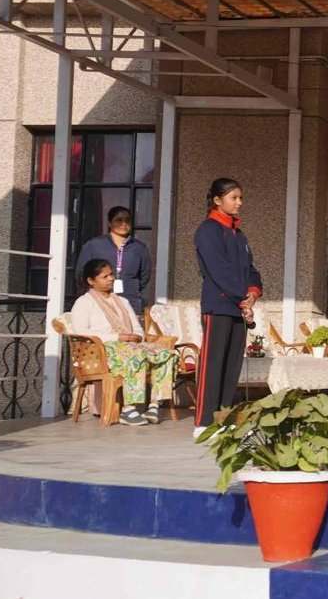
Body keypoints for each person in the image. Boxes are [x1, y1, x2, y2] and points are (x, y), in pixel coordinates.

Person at [70, 258, 177, 426]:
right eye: (105, 276)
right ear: (91, 281)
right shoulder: (84, 302)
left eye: (111, 274)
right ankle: (129, 408)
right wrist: (117, 337)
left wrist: (136, 337)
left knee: (166, 354)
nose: (111, 279)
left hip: (129, 345)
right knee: (135, 355)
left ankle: (154, 405)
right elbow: (80, 331)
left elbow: (137, 328)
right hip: (101, 350)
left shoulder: (123, 302)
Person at [193, 177, 262, 436]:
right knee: (213, 365)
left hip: (237, 306)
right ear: (217, 200)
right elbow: (218, 270)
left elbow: (250, 269)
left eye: (240, 197)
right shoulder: (208, 230)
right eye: (234, 197)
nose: (239, 202)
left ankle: (224, 418)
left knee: (232, 366)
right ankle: (204, 423)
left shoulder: (238, 234)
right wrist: (242, 297)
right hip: (218, 306)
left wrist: (252, 293)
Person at [75, 206, 151, 316]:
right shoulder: (94, 245)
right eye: (119, 220)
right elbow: (81, 273)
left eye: (127, 220)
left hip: (130, 302)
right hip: (99, 301)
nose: (124, 224)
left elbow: (144, 277)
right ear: (110, 223)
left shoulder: (139, 248)